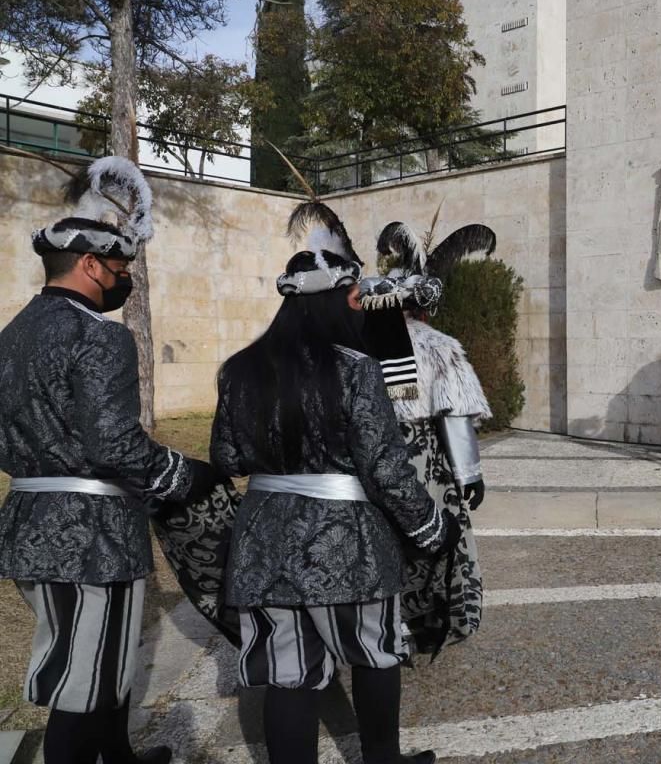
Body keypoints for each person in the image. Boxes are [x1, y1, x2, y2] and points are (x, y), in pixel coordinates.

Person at [0, 157, 216, 764]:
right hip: (90, 536)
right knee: (81, 685)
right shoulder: (99, 335)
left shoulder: (12, 336)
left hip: (29, 522)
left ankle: (118, 757)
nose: (129, 280)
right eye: (122, 267)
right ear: (91, 264)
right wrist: (188, 476)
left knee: (98, 659)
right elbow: (114, 445)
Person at [211, 239, 449, 764]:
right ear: (333, 300)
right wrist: (430, 527)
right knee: (373, 653)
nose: (361, 306)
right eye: (354, 297)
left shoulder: (238, 369)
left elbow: (226, 457)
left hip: (264, 539)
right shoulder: (357, 369)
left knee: (287, 675)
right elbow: (385, 468)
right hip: (349, 543)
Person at [360, 219, 494, 653]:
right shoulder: (438, 345)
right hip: (423, 463)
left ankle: (383, 620)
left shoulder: (358, 345)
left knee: (380, 538)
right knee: (433, 534)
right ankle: (431, 613)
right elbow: (454, 415)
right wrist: (469, 473)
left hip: (370, 459)